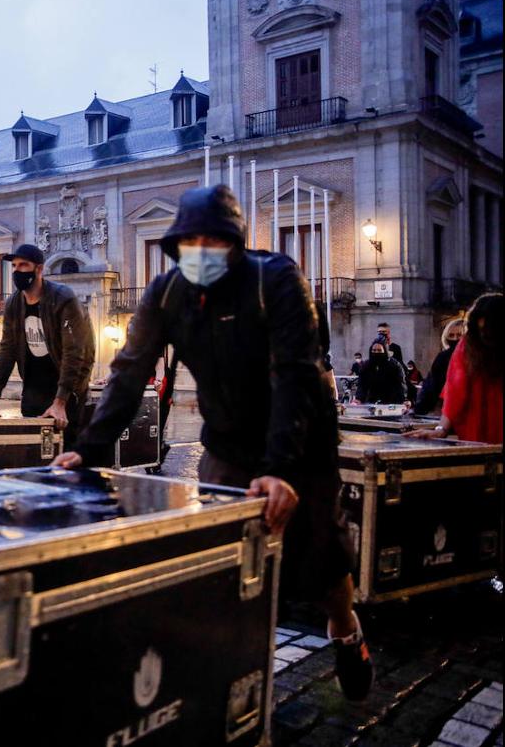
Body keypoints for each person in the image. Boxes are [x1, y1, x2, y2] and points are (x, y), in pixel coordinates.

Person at [50, 185, 372, 701]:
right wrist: (87, 450)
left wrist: (280, 468)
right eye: (189, 240)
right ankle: (234, 668)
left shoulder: (277, 279)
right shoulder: (166, 293)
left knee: (322, 555)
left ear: (236, 241)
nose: (201, 249)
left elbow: (296, 375)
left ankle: (345, 629)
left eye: (213, 239)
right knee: (224, 550)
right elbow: (129, 373)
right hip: (225, 441)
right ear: (176, 246)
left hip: (301, 438)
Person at [0, 243, 95, 434]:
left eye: (23, 265)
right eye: (14, 266)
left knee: (66, 454)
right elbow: (7, 349)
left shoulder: (63, 299)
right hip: (32, 391)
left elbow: (75, 352)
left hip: (67, 393)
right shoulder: (14, 303)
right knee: (35, 452)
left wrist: (60, 401)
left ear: (39, 269)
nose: (16, 271)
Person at [408, 293, 503, 444]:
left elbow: (455, 391)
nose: (483, 334)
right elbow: (455, 391)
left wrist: (442, 429)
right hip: (477, 429)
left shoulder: (467, 347)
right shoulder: (466, 347)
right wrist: (441, 430)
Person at [412, 317, 465, 416]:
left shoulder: (477, 358)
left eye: (459, 335)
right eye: (451, 335)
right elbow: (432, 385)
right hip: (446, 409)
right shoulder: (443, 357)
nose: (455, 339)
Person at [354, 339, 407, 405]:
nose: (376, 352)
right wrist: (359, 398)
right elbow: (362, 384)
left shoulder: (394, 365)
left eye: (379, 350)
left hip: (391, 401)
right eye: (374, 350)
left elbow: (400, 385)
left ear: (385, 351)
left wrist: (403, 399)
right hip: (371, 401)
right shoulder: (366, 366)